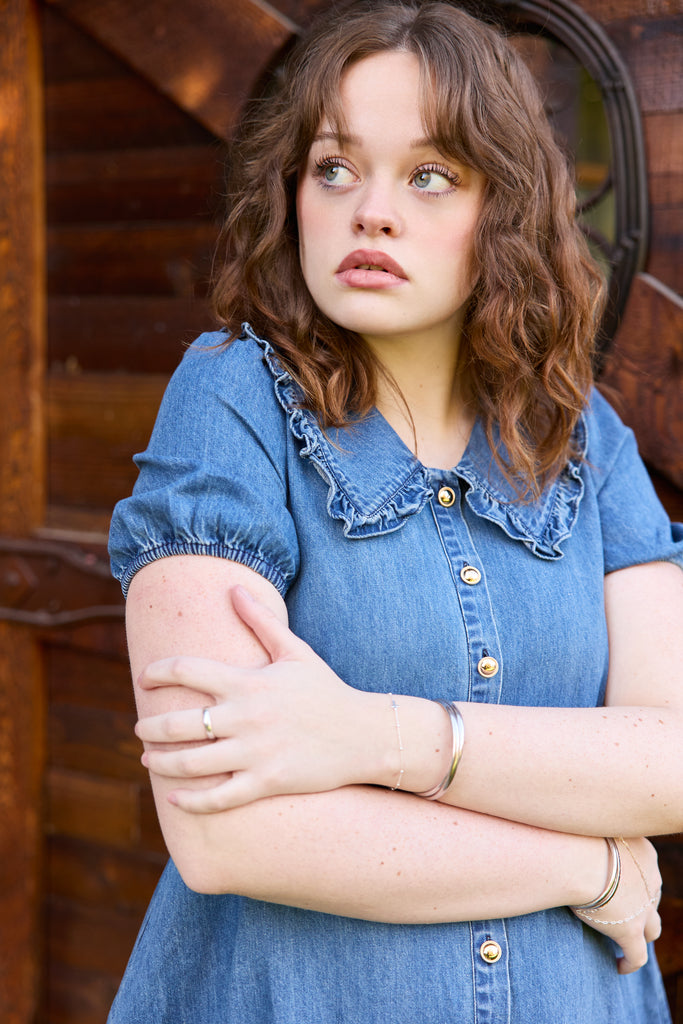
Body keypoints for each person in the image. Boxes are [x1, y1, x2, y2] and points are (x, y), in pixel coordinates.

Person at [107, 1, 683, 1020]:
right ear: (291, 192)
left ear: (500, 207)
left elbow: (670, 761)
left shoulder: (581, 435)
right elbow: (224, 831)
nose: (369, 211)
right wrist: (587, 864)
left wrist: (372, 736)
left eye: (428, 174)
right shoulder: (231, 397)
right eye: (334, 167)